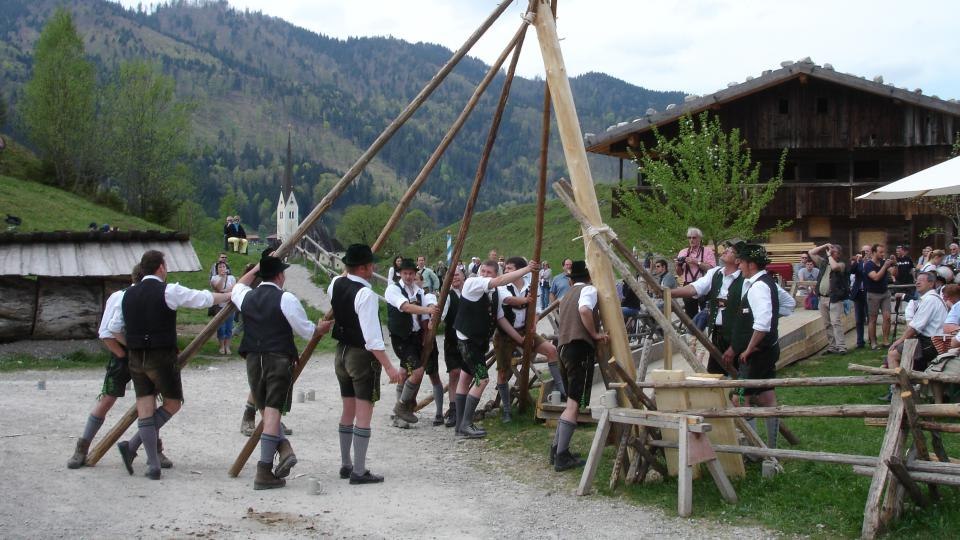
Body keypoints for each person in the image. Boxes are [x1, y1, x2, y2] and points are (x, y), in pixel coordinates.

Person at [109, 250, 229, 479]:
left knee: (145, 408)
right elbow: (201, 298)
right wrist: (228, 296)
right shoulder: (168, 291)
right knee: (172, 404)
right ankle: (134, 446)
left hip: (136, 358)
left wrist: (132, 344)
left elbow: (114, 329)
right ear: (161, 268)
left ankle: (150, 463)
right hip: (161, 357)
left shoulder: (127, 294)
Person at [231, 252, 332, 490]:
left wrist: (256, 268)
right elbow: (306, 331)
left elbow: (238, 285)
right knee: (273, 411)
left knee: (265, 409)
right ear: (279, 276)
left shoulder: (246, 296)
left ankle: (283, 449)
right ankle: (264, 470)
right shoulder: (286, 299)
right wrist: (321, 328)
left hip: (253, 358)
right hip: (278, 358)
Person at [66, 265, 174, 470]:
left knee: (148, 404)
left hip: (146, 356)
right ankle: (82, 447)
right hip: (123, 355)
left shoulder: (156, 297)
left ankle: (155, 451)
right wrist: (123, 355)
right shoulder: (120, 297)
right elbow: (106, 333)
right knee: (108, 398)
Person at [328, 244, 402, 484]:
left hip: (341, 353)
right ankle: (359, 471)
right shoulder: (366, 295)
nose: (374, 268)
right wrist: (390, 367)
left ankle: (345, 464)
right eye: (371, 264)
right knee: (363, 413)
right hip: (360, 356)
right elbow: (373, 339)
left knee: (347, 409)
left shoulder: (335, 284)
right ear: (363, 268)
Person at [453, 258, 538, 438]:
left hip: (477, 341)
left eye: (488, 273)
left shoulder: (495, 293)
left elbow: (500, 319)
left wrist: (520, 339)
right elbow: (499, 281)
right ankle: (466, 424)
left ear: (495, 274)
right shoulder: (472, 282)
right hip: (468, 340)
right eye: (482, 271)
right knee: (482, 379)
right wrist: (528, 269)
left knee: (465, 378)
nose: (484, 275)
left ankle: (460, 425)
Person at [493, 257, 565, 423]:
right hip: (505, 333)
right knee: (503, 371)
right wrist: (525, 301)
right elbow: (509, 300)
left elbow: (537, 309)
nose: (506, 272)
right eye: (506, 269)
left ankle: (561, 390)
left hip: (525, 330)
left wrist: (532, 327)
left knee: (552, 351)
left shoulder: (532, 285)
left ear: (520, 270)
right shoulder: (502, 285)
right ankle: (506, 410)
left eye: (510, 269)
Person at [725, 243, 782, 449]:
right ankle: (771, 448)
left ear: (751, 264)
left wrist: (749, 348)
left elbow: (763, 322)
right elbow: (787, 304)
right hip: (767, 350)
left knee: (740, 399)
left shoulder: (758, 286)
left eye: (741, 262)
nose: (738, 266)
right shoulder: (766, 283)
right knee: (767, 396)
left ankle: (754, 450)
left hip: (756, 354)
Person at [552, 260, 606, 471]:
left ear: (571, 279)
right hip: (578, 348)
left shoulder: (565, 296)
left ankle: (556, 449)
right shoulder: (589, 290)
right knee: (574, 403)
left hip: (563, 348)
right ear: (589, 277)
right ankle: (562, 456)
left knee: (570, 402)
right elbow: (584, 310)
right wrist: (594, 334)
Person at [672, 240, 745, 375]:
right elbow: (695, 288)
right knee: (715, 375)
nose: (726, 250)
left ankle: (741, 395)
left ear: (738, 260)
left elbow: (782, 303)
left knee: (740, 378)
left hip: (738, 335)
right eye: (727, 248)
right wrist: (669, 293)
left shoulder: (747, 279)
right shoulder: (715, 273)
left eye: (731, 251)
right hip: (717, 334)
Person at [385, 258, 440, 426]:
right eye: (405, 273)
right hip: (401, 338)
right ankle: (401, 406)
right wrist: (428, 309)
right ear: (400, 274)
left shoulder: (418, 290)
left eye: (411, 273)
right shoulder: (393, 289)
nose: (408, 276)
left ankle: (399, 418)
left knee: (403, 372)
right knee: (417, 372)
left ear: (415, 274)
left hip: (415, 337)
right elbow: (405, 307)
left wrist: (431, 312)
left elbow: (428, 301)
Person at [884, 272, 946, 384]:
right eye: (917, 280)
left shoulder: (930, 300)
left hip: (932, 344)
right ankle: (910, 386)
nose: (917, 282)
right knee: (903, 347)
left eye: (921, 280)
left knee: (892, 353)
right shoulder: (930, 299)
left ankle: (898, 391)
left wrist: (900, 340)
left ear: (931, 283)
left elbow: (914, 327)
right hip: (932, 342)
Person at [808, 243, 849, 354]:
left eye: (833, 251)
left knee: (836, 322)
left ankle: (841, 347)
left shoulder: (841, 264)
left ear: (838, 254)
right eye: (830, 250)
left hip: (834, 298)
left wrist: (829, 256)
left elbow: (835, 267)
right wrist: (825, 245)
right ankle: (832, 346)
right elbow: (811, 252)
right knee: (827, 324)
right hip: (822, 298)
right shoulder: (824, 263)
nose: (829, 252)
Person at [440, 269, 466, 428]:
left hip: (470, 341)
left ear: (464, 276)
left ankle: (466, 409)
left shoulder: (471, 292)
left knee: (471, 375)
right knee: (455, 373)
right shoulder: (448, 297)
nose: (455, 277)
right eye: (451, 275)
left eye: (457, 274)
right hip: (452, 341)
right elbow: (440, 317)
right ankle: (454, 409)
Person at [676, 227, 717, 319]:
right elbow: (679, 273)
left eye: (694, 237)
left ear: (700, 238)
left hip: (704, 284)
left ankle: (705, 332)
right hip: (688, 284)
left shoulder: (707, 251)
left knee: (706, 314)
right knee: (690, 315)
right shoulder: (683, 252)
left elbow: (711, 269)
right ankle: (693, 333)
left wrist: (696, 262)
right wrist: (679, 265)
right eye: (689, 238)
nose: (691, 240)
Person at [864, 244, 896, 349]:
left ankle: (886, 341)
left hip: (885, 293)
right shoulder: (868, 265)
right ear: (874, 253)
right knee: (873, 319)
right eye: (880, 252)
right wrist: (885, 267)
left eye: (883, 252)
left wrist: (894, 264)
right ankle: (873, 342)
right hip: (873, 294)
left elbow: (894, 273)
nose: (883, 254)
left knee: (887, 317)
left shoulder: (883, 262)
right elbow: (876, 277)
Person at [210, 261, 236, 355]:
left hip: (229, 305)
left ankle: (227, 346)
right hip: (219, 306)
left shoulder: (232, 278)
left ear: (227, 268)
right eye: (220, 267)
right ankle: (221, 346)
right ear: (217, 269)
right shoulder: (214, 278)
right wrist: (223, 278)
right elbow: (218, 288)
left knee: (229, 327)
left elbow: (234, 288)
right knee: (221, 327)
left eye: (223, 266)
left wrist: (226, 290)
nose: (222, 268)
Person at [849, 245, 872, 349]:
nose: (865, 253)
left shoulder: (873, 263)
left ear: (871, 252)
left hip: (869, 293)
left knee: (871, 318)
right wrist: (857, 261)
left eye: (867, 251)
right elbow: (851, 271)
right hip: (858, 293)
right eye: (864, 251)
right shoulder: (859, 262)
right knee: (859, 319)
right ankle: (860, 342)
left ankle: (872, 340)